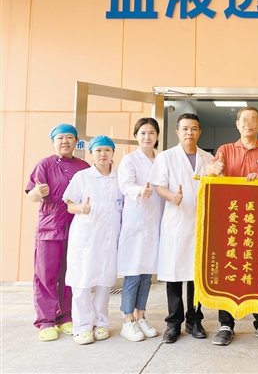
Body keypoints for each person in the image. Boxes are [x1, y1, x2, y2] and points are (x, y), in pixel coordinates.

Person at [205, 106, 258, 346]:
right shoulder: (225, 150)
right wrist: (213, 169)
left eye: (253, 120)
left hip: (257, 224)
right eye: (243, 120)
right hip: (228, 221)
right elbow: (209, 173)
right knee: (227, 269)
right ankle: (226, 325)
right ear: (237, 124)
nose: (248, 123)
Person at [148, 113, 213, 344]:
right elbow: (159, 186)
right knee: (174, 275)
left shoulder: (208, 158)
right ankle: (173, 323)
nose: (189, 133)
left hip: (201, 223)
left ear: (199, 132)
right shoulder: (166, 157)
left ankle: (194, 321)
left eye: (193, 129)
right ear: (177, 132)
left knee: (196, 275)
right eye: (185, 129)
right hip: (176, 222)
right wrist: (172, 197)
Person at [25, 124, 90, 342]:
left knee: (70, 273)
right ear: (53, 141)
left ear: (76, 141)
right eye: (60, 137)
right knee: (46, 274)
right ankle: (46, 321)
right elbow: (32, 196)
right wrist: (37, 192)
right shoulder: (44, 164)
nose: (65, 141)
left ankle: (66, 317)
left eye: (69, 137)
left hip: (76, 226)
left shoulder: (83, 166)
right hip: (49, 227)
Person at [63, 135, 122, 345]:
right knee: (82, 280)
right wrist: (81, 208)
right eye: (98, 150)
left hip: (109, 238)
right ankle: (81, 327)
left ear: (113, 153)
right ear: (91, 154)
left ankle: (101, 323)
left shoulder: (119, 178)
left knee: (105, 281)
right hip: (85, 238)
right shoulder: (82, 177)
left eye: (107, 150)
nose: (103, 154)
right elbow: (70, 205)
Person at [117, 118, 163, 342]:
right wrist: (139, 191)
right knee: (133, 272)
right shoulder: (129, 160)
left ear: (157, 136)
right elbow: (125, 185)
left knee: (147, 274)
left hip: (154, 222)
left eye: (151, 133)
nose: (147, 137)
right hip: (136, 222)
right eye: (143, 133)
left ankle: (141, 315)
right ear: (136, 135)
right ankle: (127, 320)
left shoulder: (161, 159)